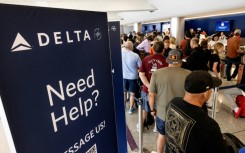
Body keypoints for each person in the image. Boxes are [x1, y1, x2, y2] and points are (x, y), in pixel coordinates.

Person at [165, 71, 228, 153]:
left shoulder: (173, 103)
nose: (211, 92)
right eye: (211, 89)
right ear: (205, 94)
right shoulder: (208, 125)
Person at [149, 49, 191, 153]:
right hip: (182, 115)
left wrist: (152, 109)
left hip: (163, 113)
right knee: (178, 139)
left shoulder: (157, 74)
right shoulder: (189, 74)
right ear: (181, 61)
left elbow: (151, 95)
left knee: (162, 135)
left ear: (167, 60)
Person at [138, 41, 168, 133]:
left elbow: (141, 74)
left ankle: (140, 125)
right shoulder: (166, 61)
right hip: (160, 91)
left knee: (144, 108)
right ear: (163, 50)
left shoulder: (146, 59)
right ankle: (156, 126)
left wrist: (149, 86)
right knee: (158, 108)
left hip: (146, 90)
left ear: (152, 49)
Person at [122, 41, 142, 114]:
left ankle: (123, 107)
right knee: (132, 94)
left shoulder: (120, 53)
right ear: (131, 47)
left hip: (123, 76)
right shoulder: (135, 55)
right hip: (133, 77)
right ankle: (131, 108)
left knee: (124, 92)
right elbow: (141, 66)